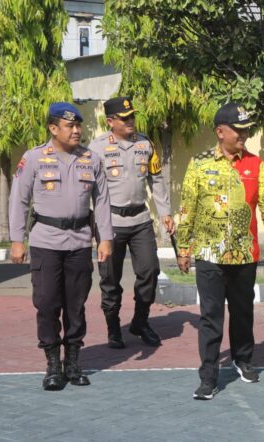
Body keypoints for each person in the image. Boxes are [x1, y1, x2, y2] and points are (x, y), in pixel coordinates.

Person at [176, 102, 264, 400]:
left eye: (246, 130)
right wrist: (183, 248)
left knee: (242, 311)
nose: (244, 135)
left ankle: (243, 359)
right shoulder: (198, 164)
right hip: (209, 255)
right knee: (210, 316)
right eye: (238, 130)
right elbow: (188, 208)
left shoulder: (255, 164)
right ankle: (208, 376)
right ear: (220, 131)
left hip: (244, 255)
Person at [9, 102, 113, 390]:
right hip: (45, 242)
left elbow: (102, 200)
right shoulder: (33, 159)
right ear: (54, 129)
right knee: (46, 304)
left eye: (79, 125)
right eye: (70, 126)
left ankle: (74, 363)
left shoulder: (91, 160)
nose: (77, 130)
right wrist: (17, 240)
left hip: (80, 241)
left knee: (75, 306)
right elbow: (19, 200)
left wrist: (105, 238)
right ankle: (53, 364)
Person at [88, 97, 173, 349]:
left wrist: (165, 212)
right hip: (109, 222)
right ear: (111, 121)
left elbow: (156, 179)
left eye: (132, 116)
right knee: (110, 278)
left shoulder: (145, 143)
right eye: (124, 118)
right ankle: (113, 327)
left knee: (150, 271)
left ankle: (140, 321)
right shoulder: (97, 148)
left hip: (140, 219)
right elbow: (89, 187)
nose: (130, 122)